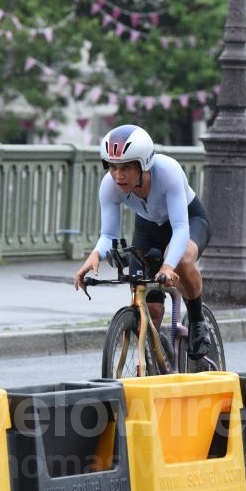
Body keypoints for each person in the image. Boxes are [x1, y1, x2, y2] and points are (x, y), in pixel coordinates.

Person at [73, 124, 213, 359]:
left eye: (126, 167)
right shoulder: (110, 185)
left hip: (188, 221)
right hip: (147, 229)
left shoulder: (168, 171)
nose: (118, 175)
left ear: (144, 164)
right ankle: (156, 355)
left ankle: (198, 320)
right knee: (148, 305)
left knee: (181, 260)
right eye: (113, 167)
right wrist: (96, 254)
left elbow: (180, 229)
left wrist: (168, 266)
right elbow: (108, 236)